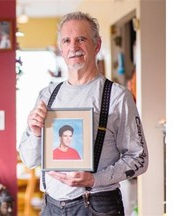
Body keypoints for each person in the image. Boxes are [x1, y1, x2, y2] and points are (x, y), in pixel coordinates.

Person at [18, 11, 148, 216]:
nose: (73, 47)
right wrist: (35, 133)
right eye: (67, 41)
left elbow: (139, 158)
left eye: (81, 39)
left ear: (97, 45)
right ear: (61, 49)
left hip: (97, 206)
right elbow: (29, 160)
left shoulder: (116, 96)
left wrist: (94, 179)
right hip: (50, 207)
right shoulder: (47, 95)